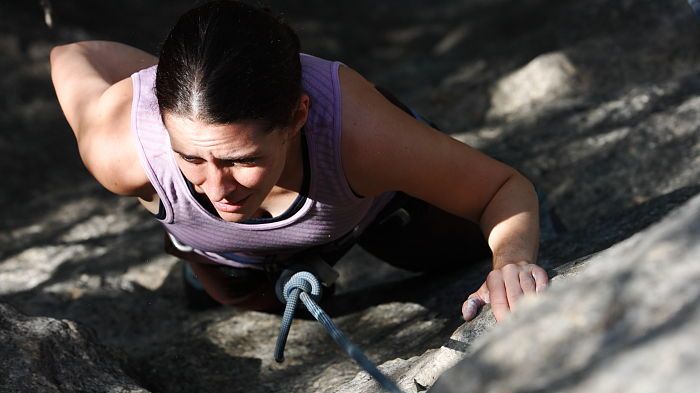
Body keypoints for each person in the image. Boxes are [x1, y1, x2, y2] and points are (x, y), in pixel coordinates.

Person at [49, 0, 548, 322]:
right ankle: (214, 260)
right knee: (270, 303)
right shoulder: (121, 150)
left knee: (455, 251)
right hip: (233, 253)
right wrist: (184, 83)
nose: (217, 187)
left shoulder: (361, 134)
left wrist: (511, 260)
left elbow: (500, 188)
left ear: (297, 116)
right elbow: (69, 55)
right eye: (190, 157)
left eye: (240, 159)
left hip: (373, 204)